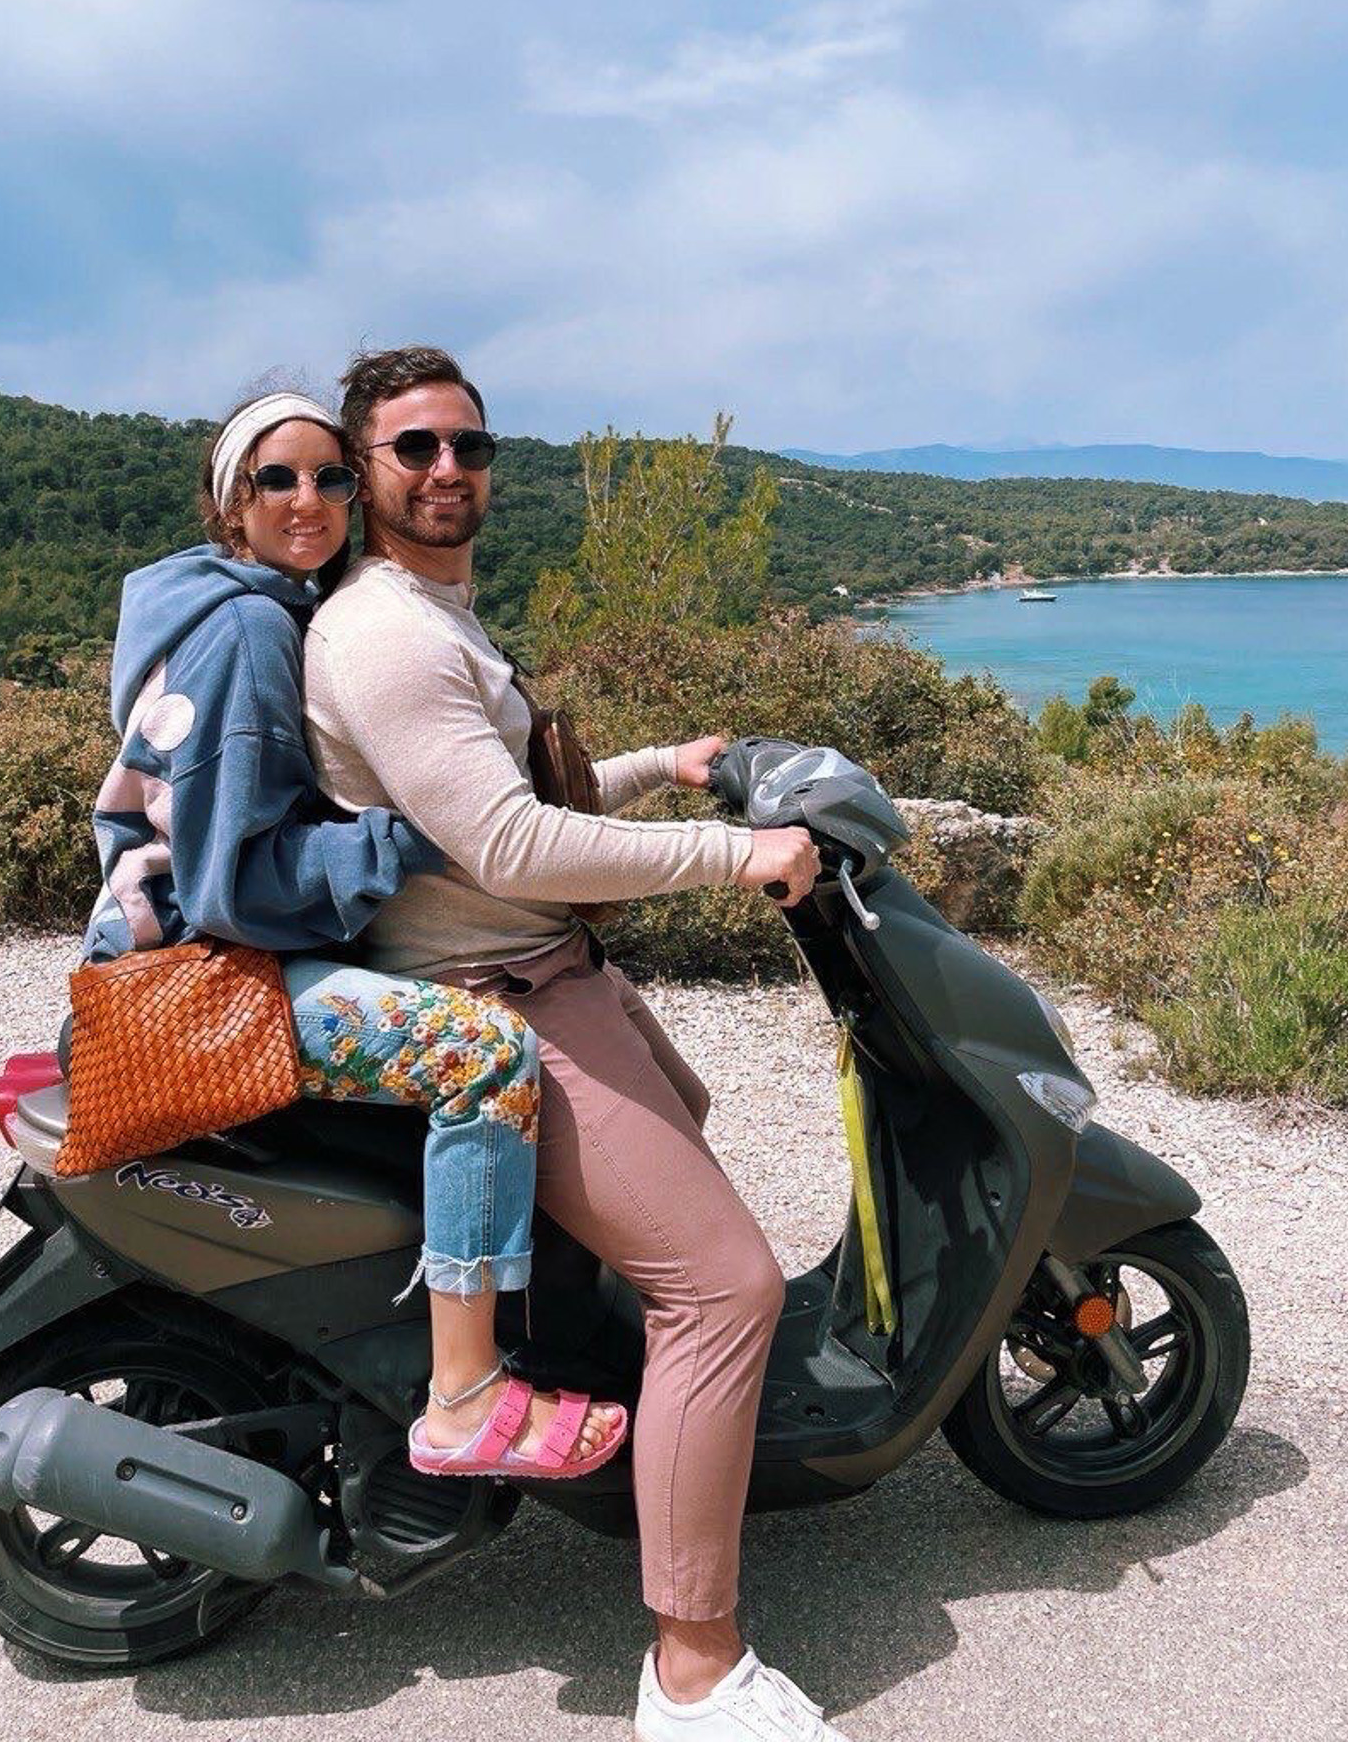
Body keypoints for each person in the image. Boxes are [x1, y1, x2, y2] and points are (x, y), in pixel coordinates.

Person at [303, 346, 851, 1742]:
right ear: (364, 473)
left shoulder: (437, 616)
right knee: (723, 1288)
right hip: (501, 990)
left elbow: (487, 798)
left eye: (469, 449)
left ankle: (651, 1442)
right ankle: (693, 1666)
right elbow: (505, 843)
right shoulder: (386, 635)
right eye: (414, 448)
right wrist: (731, 856)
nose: (446, 472)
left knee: (693, 1118)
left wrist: (657, 764)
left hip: (547, 964)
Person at [83, 388, 625, 1480]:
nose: (308, 497)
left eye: (329, 476)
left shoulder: (256, 606)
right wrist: (405, 837)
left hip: (225, 956)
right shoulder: (244, 629)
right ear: (229, 505)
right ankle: (465, 1394)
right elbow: (232, 882)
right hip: (210, 973)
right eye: (275, 478)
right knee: (481, 1051)